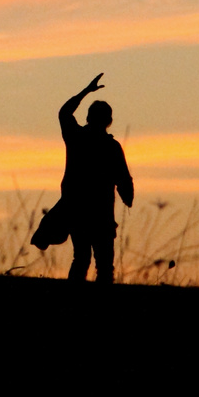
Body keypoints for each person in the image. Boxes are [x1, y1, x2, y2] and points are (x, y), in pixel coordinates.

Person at [57, 72, 133, 283]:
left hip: (77, 210)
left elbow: (64, 112)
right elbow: (124, 179)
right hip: (101, 214)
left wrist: (85, 92)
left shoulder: (76, 137)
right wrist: (128, 196)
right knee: (104, 266)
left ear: (88, 118)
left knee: (81, 258)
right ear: (109, 121)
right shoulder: (112, 146)